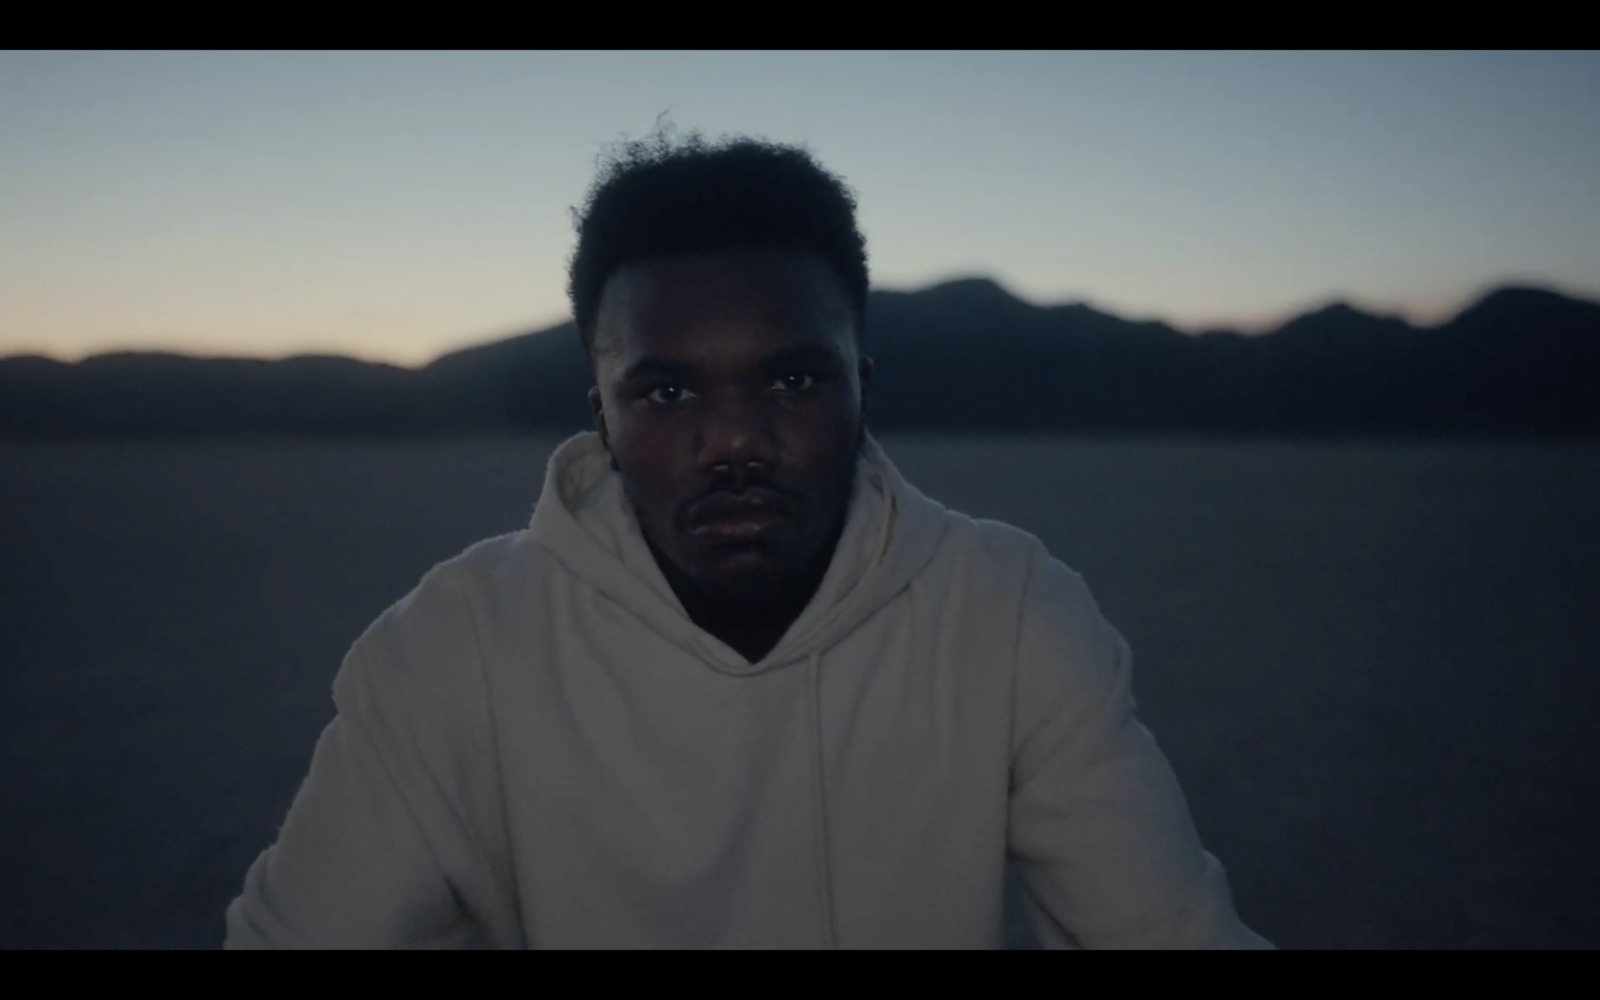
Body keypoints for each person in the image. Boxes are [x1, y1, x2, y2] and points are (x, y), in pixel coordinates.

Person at [224, 129, 1272, 950]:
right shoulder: (454, 648)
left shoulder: (1004, 612)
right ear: (599, 409)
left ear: (865, 383)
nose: (733, 439)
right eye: (668, 388)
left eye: (792, 378)